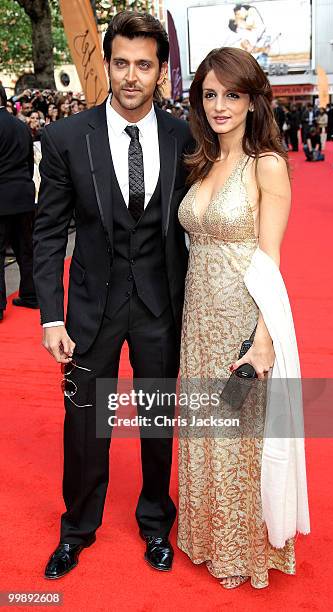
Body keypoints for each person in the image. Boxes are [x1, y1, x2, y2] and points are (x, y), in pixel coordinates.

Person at [33, 11, 194, 579]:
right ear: (107, 63)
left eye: (144, 65)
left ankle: (156, 522)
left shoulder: (185, 136)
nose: (131, 76)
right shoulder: (65, 138)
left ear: (160, 71)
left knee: (157, 420)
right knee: (84, 423)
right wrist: (51, 316)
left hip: (160, 307)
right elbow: (49, 233)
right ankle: (76, 529)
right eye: (121, 62)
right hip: (88, 311)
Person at [177, 47, 310, 589]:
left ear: (254, 99)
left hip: (240, 320)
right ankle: (208, 539)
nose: (219, 105)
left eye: (231, 94)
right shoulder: (203, 159)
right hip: (197, 318)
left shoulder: (268, 165)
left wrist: (263, 341)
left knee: (237, 435)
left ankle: (246, 553)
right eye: (210, 94)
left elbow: (271, 259)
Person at [0, 85, 38, 321]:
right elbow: (29, 161)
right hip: (23, 195)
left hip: (2, 196)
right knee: (26, 250)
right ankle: (31, 294)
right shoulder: (21, 126)